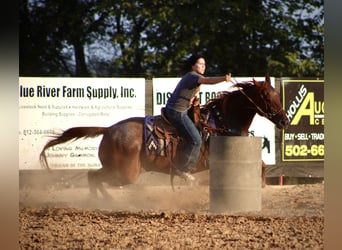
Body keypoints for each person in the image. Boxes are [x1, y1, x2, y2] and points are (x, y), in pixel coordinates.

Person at [165, 55, 232, 181]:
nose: (203, 66)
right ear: (193, 66)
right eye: (200, 64)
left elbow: (191, 94)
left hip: (178, 109)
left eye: (204, 64)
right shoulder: (193, 76)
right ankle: (184, 169)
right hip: (177, 112)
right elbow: (209, 80)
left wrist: (192, 101)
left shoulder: (192, 78)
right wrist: (224, 78)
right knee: (196, 140)